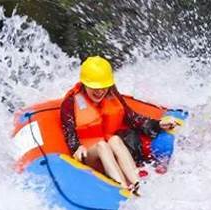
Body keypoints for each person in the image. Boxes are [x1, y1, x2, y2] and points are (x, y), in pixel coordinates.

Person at [60, 56, 178, 192]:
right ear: (85, 83)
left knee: (115, 139)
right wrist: (76, 148)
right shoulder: (70, 103)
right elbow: (69, 133)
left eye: (103, 87)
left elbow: (132, 117)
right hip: (90, 154)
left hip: (110, 150)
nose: (99, 91)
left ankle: (138, 184)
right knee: (102, 146)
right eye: (94, 87)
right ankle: (122, 188)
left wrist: (158, 124)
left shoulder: (111, 93)